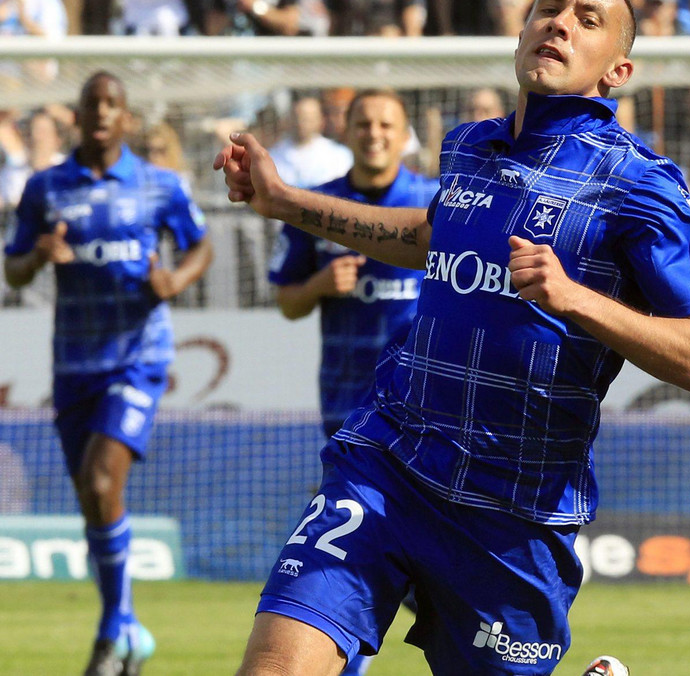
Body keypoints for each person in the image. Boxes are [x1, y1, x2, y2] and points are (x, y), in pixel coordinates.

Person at [214, 0, 690, 673]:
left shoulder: (641, 185)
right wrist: (283, 201)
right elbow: (425, 237)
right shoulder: (467, 147)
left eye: (587, 18)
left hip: (513, 513)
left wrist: (574, 298)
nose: (559, 23)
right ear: (520, 33)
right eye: (547, 9)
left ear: (618, 70)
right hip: (389, 467)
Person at [3, 71, 213, 676]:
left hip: (138, 357)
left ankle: (109, 633)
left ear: (126, 119)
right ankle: (129, 630)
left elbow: (201, 246)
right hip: (74, 366)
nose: (101, 112)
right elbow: (13, 270)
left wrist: (175, 280)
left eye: (112, 104)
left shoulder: (159, 185)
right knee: (94, 503)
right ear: (76, 115)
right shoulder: (45, 188)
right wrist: (37, 255)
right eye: (91, 103)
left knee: (100, 483)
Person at [269, 87, 437, 676]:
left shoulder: (433, 205)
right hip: (346, 409)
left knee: (392, 554)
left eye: (386, 124)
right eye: (364, 123)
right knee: (355, 553)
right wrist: (317, 287)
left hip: (423, 414)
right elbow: (286, 300)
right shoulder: (319, 207)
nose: (374, 133)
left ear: (403, 132)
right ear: (347, 130)